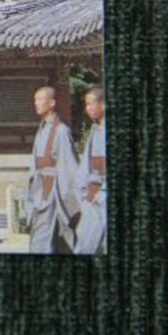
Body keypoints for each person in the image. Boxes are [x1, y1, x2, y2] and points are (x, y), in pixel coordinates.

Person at [27, 86, 80, 253]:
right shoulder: (42, 128)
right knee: (42, 235)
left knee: (44, 238)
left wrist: (70, 199)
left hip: (52, 191)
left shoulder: (61, 131)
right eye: (35, 100)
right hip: (39, 190)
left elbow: (69, 168)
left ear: (52, 103)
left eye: (40, 100)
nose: (36, 103)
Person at [74, 87, 107, 254]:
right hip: (90, 196)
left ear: (103, 105)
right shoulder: (95, 130)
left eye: (90, 104)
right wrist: (82, 192)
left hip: (104, 196)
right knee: (86, 242)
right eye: (86, 105)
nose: (87, 109)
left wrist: (102, 194)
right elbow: (84, 166)